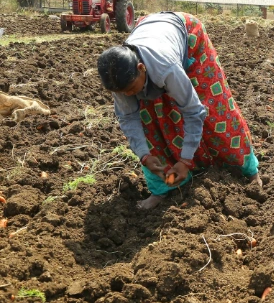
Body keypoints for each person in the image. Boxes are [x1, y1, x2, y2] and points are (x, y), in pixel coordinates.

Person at [97, 11, 261, 210]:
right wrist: (144, 155)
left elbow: (194, 112)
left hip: (188, 37)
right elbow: (128, 119)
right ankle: (163, 188)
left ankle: (249, 171)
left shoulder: (165, 67)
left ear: (141, 68)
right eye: (123, 92)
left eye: (132, 89)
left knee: (216, 108)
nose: (129, 95)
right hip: (151, 33)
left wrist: (185, 159)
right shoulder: (120, 80)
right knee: (150, 120)